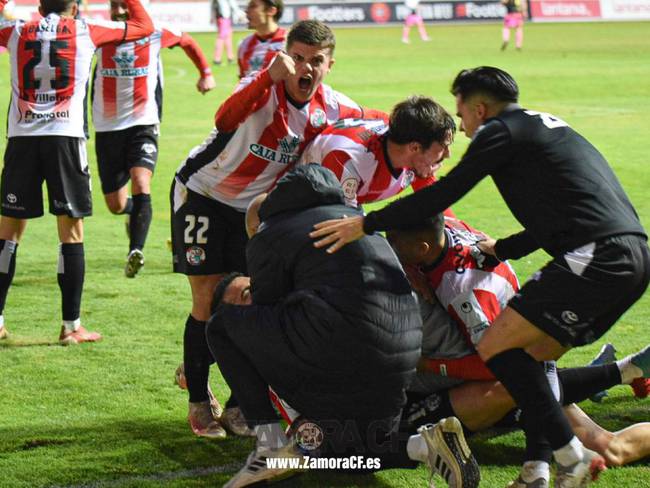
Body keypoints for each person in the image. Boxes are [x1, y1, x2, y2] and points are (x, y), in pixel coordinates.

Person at [310, 66, 650, 487]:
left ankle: (570, 456)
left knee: (499, 354)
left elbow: (443, 192)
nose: (464, 128)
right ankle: (545, 464)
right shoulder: (546, 128)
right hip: (629, 253)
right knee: (527, 361)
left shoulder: (499, 132)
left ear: (480, 107)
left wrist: (366, 224)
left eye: (462, 115)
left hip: (593, 258)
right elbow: (560, 217)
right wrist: (503, 249)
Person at [206, 164, 479, 488]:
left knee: (220, 325)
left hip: (343, 341)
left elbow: (269, 305)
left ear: (261, 221)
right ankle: (424, 445)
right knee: (350, 449)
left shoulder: (272, 232)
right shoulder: (355, 219)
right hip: (404, 350)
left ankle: (269, 442)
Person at [171, 20, 370, 439]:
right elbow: (224, 118)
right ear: (285, 56)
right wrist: (267, 77)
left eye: (316, 61)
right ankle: (198, 402)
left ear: (329, 65)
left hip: (253, 215)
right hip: (202, 193)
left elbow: (372, 121)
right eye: (297, 57)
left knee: (254, 300)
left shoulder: (333, 108)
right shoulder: (261, 84)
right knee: (207, 298)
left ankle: (238, 402)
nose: (306, 68)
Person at [385, 215, 650, 477]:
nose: (388, 245)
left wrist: (430, 365)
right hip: (519, 353)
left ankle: (625, 372)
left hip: (504, 366)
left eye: (394, 241)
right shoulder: (449, 228)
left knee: (608, 449)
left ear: (423, 249)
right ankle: (628, 370)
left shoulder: (464, 295)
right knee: (530, 389)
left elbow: (495, 368)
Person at [0, 0, 153, 343]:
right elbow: (144, 26)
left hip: (22, 138)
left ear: (40, 5)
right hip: (65, 138)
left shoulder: (17, 30)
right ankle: (71, 327)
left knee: (7, 233)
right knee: (70, 233)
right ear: (75, 6)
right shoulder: (86, 30)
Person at [92, 0, 215, 278]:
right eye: (115, 5)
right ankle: (134, 214)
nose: (120, 11)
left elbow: (187, 41)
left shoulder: (156, 31)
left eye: (125, 6)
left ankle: (135, 250)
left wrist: (205, 73)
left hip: (143, 123)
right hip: (107, 127)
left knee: (141, 181)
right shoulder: (100, 32)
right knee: (115, 204)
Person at [299, 96, 456, 209]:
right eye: (443, 146)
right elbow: (343, 224)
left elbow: (433, 203)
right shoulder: (347, 160)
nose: (448, 154)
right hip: (307, 204)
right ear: (414, 148)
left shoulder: (409, 144)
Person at [238, 0, 286, 78]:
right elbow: (243, 84)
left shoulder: (287, 42)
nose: (246, 11)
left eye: (253, 6)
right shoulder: (244, 45)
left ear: (271, 11)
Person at [212, 0, 242, 66]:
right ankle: (217, 59)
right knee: (221, 38)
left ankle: (230, 57)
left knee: (227, 38)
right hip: (224, 17)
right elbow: (233, 4)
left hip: (224, 17)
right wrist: (239, 15)